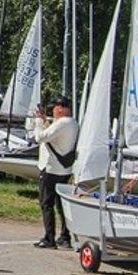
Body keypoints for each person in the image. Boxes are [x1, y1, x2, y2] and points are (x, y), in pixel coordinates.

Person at [31, 96, 79, 249]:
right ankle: (65, 237)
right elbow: (52, 135)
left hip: (51, 168)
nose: (53, 111)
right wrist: (46, 122)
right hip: (64, 169)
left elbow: (40, 137)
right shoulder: (73, 123)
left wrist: (38, 122)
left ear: (60, 108)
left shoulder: (62, 123)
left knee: (46, 203)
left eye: (54, 108)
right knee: (61, 204)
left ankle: (49, 238)